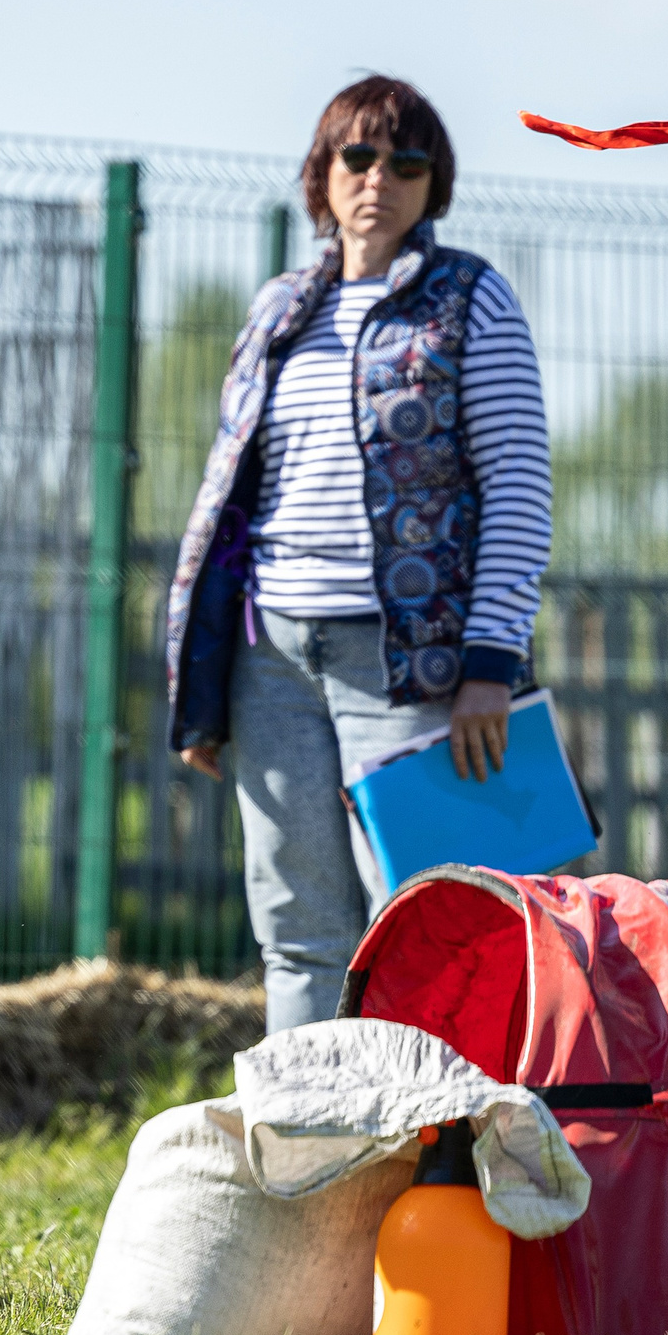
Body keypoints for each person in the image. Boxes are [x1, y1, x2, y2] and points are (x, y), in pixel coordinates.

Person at [164, 77, 552, 1035]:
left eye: (407, 162)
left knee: (426, 918)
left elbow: (518, 483)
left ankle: (439, 1158)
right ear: (324, 173)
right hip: (272, 659)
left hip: (411, 663)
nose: (381, 178)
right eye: (360, 157)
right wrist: (206, 682)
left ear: (434, 184)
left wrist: (490, 665)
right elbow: (233, 499)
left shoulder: (471, 300)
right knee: (296, 921)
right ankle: (312, 1154)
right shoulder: (280, 308)